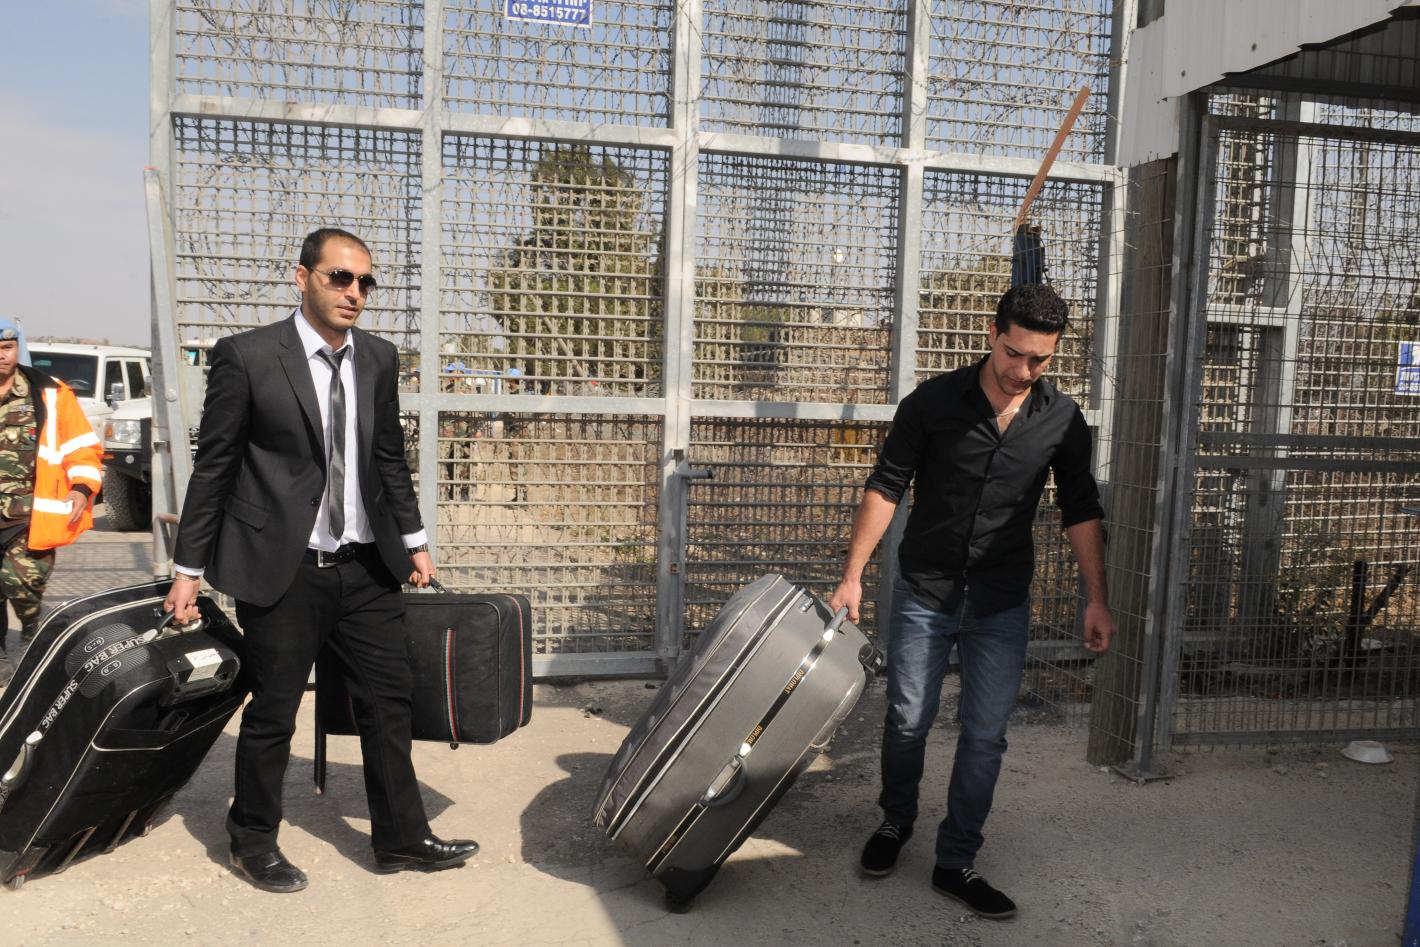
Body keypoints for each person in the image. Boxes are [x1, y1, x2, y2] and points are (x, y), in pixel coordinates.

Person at [163, 228, 477, 893]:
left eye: (365, 282)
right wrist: (188, 569)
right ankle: (252, 839)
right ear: (302, 277)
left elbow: (387, 458)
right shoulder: (247, 357)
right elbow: (214, 468)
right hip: (284, 568)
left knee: (388, 703)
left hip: (366, 566)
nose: (354, 292)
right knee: (274, 710)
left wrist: (415, 540)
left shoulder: (379, 359)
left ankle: (401, 839)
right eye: (340, 277)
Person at [829, 283, 1114, 920]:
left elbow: (1080, 508)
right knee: (908, 718)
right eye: (1014, 353)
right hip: (925, 590)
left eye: (1040, 359)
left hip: (1000, 600)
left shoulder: (1062, 420)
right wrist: (852, 575)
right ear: (992, 334)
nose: (1024, 370)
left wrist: (1096, 598)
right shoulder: (931, 403)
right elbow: (886, 485)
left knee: (986, 736)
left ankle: (956, 860)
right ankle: (895, 821)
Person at [0, 319, 101, 688]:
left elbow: (82, 448)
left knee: (24, 587)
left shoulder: (50, 394)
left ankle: (31, 636)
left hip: (28, 518)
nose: (1, 356)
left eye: (7, 347)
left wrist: (82, 489)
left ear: (18, 348)